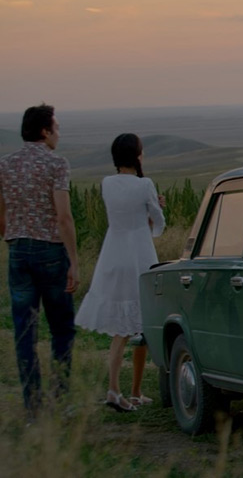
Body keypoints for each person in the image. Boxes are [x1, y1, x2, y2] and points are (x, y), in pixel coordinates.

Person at [75, 133, 165, 412]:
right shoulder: (145, 184)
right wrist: (156, 208)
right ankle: (123, 391)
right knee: (143, 319)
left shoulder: (107, 183)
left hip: (113, 253)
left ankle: (122, 390)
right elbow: (157, 223)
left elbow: (122, 215)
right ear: (137, 155)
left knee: (122, 329)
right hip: (139, 255)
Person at [0, 104, 80, 420]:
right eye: (56, 128)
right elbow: (64, 217)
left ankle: (32, 407)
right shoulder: (56, 164)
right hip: (50, 251)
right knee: (61, 328)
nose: (58, 134)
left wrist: (14, 236)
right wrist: (74, 261)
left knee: (24, 332)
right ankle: (60, 400)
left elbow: (2, 215)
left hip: (18, 250)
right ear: (45, 132)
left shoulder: (5, 164)